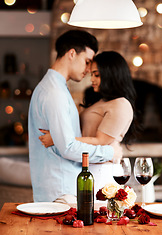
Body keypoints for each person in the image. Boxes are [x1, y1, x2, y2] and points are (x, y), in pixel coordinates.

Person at [28, 30, 122, 202]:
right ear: (72, 53)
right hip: (61, 191)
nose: (88, 70)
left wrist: (58, 138)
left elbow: (64, 141)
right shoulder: (54, 92)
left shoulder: (55, 88)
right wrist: (110, 152)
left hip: (60, 187)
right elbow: (68, 147)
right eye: (87, 62)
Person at [39, 51, 138, 195]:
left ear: (112, 74)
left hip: (101, 170)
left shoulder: (120, 104)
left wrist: (57, 139)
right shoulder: (101, 101)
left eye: (96, 75)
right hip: (86, 165)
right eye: (91, 74)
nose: (91, 79)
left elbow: (101, 140)